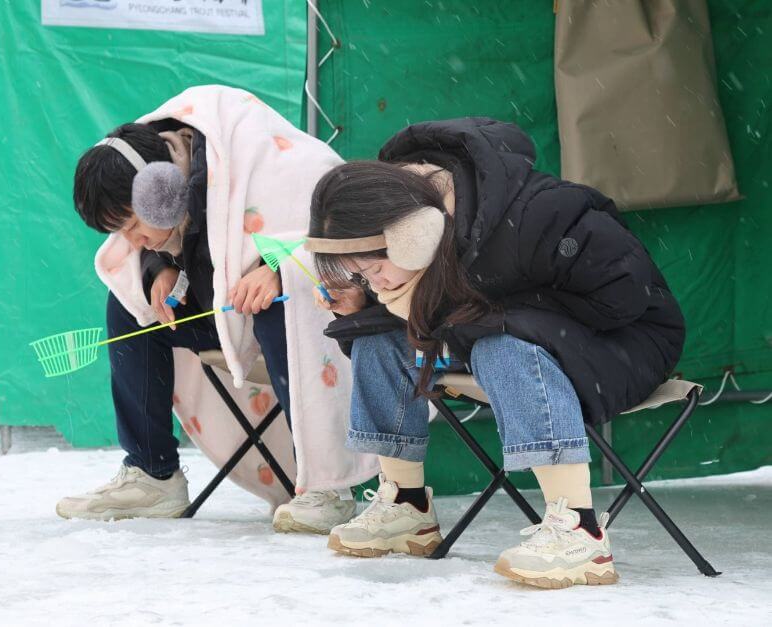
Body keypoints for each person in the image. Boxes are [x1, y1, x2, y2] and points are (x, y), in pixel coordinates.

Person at [304, 117, 685, 588]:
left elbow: (623, 295)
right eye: (359, 275)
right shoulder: (420, 239)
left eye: (374, 268)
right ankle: (406, 506)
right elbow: (449, 313)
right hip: (515, 335)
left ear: (416, 231)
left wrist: (479, 313)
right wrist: (359, 304)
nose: (375, 281)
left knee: (500, 343)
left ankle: (579, 530)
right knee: (379, 339)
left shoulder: (542, 212)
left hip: (627, 340)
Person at [56, 96, 362, 532]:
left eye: (132, 225)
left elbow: (344, 226)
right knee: (128, 305)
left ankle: (326, 486)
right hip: (226, 313)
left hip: (306, 314)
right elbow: (172, 254)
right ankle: (152, 475)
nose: (134, 240)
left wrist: (278, 268)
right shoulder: (166, 208)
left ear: (160, 188)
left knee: (278, 304)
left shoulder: (256, 157)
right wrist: (158, 268)